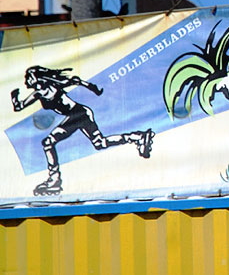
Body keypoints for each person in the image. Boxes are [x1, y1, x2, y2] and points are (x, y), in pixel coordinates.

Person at [11, 65, 154, 196]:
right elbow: (19, 106)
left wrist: (92, 88)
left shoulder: (53, 86)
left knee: (49, 143)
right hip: (74, 117)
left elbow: (75, 81)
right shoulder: (37, 94)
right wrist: (14, 97)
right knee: (100, 144)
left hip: (80, 114)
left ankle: (54, 180)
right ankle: (137, 137)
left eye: (29, 77)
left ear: (37, 78)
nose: (26, 81)